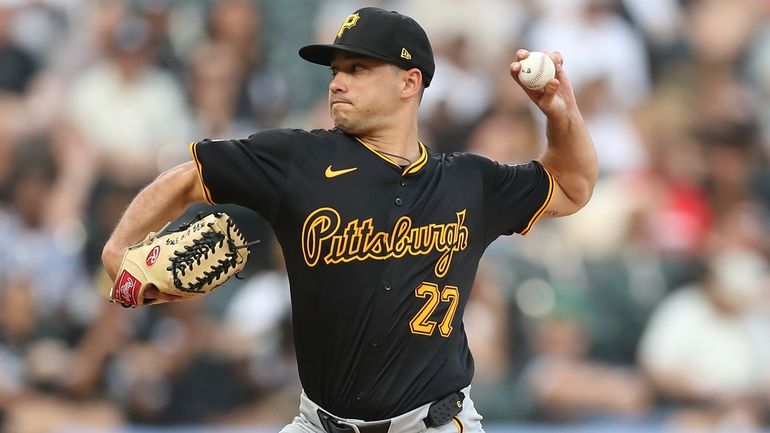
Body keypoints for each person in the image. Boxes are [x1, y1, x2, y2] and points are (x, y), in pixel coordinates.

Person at [101, 7, 597, 433]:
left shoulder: (469, 183)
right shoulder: (298, 159)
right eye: (336, 69)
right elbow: (189, 178)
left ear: (410, 81)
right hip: (321, 422)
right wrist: (117, 249)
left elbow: (573, 186)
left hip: (434, 422)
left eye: (358, 68)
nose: (337, 81)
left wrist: (560, 113)